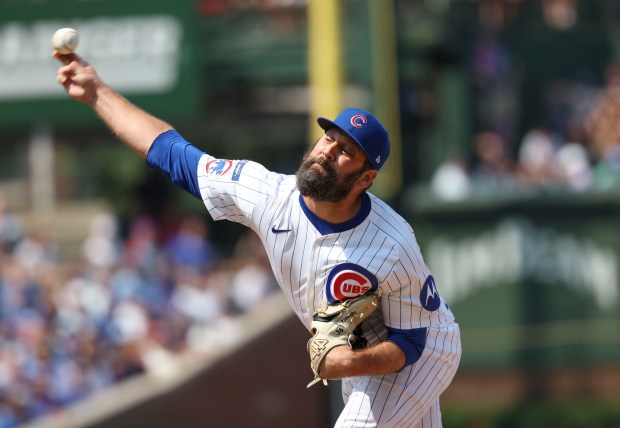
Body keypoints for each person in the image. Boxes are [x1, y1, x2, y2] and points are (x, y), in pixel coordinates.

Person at [54, 51, 461, 427]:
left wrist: (349, 363)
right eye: (328, 138)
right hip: (362, 357)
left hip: (421, 353)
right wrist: (96, 93)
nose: (326, 152)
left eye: (344, 152)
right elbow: (171, 152)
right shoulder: (266, 194)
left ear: (366, 178)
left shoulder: (392, 243)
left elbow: (413, 340)